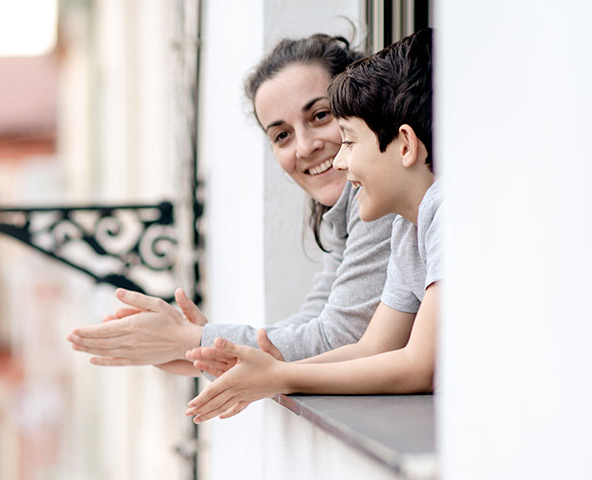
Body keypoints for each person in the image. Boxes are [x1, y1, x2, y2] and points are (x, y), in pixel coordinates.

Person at [66, 34, 395, 374]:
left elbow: (337, 339)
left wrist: (193, 340)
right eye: (281, 135)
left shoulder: (382, 199)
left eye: (320, 115)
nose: (304, 147)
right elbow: (312, 322)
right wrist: (200, 352)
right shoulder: (345, 211)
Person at [184, 27, 438, 423]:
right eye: (282, 135)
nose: (331, 157)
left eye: (347, 139)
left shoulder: (440, 209)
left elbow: (418, 366)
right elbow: (373, 347)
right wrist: (263, 370)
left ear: (404, 144)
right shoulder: (410, 227)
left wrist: (275, 374)